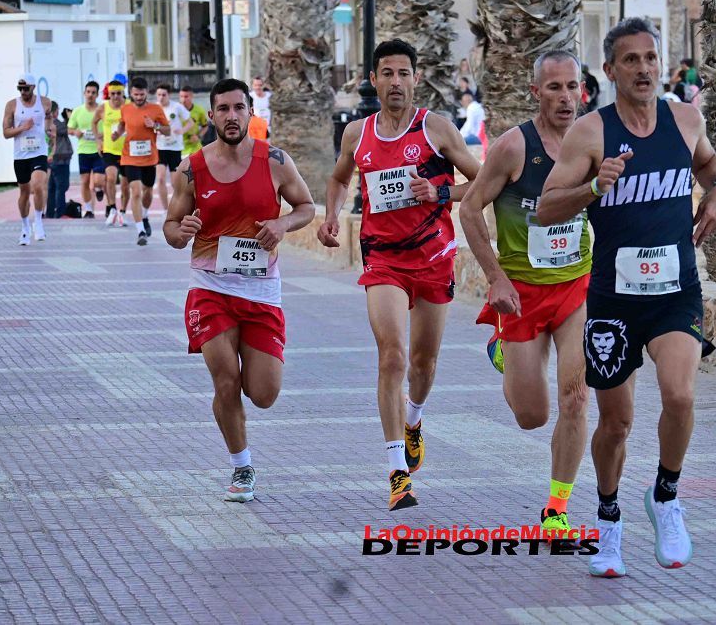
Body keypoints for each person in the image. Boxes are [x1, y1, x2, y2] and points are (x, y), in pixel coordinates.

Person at [538, 18, 716, 577]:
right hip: (614, 301)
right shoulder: (591, 134)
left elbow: (712, 167)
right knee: (616, 422)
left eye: (651, 58)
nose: (645, 69)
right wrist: (593, 187)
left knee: (681, 396)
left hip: (675, 292)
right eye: (631, 60)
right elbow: (547, 207)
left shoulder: (685, 120)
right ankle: (608, 519)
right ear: (610, 71)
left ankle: (666, 497)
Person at [318, 38, 480, 511]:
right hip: (382, 260)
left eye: (403, 73)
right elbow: (337, 178)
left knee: (422, 364)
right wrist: (331, 215)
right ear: (373, 80)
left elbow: (482, 182)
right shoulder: (358, 133)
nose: (395, 82)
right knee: (392, 356)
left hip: (433, 260)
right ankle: (396, 474)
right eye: (386, 73)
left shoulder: (436, 130)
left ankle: (414, 420)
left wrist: (438, 192)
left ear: (416, 77)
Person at [164, 78, 315, 502]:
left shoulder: (276, 161)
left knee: (264, 394)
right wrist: (182, 230)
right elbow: (172, 229)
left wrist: (282, 224)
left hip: (261, 291)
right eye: (223, 109)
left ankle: (245, 416)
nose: (232, 116)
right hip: (209, 289)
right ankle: (241, 467)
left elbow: (306, 206)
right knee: (226, 380)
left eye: (239, 108)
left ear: (251, 113)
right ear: (210, 116)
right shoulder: (191, 169)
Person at [459, 50, 591, 538]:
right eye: (553, 87)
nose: (564, 97)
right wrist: (495, 277)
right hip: (520, 295)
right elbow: (470, 210)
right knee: (532, 416)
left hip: (576, 289)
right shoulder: (515, 147)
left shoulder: (591, 143)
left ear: (583, 90)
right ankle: (504, 349)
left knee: (576, 399)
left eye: (571, 86)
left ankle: (557, 507)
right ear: (536, 93)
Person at [114, 76, 169, 245]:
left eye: (141, 94)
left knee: (147, 192)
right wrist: (117, 133)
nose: (138, 98)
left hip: (149, 158)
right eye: (135, 94)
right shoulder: (125, 109)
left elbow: (167, 131)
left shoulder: (156, 109)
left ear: (147, 93)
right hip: (129, 156)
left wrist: (155, 125)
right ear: (131, 93)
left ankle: (145, 215)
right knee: (135, 192)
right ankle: (140, 231)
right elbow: (122, 124)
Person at [2, 73, 52, 245]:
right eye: (20, 88)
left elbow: (49, 119)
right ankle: (25, 227)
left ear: (33, 87)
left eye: (26, 88)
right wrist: (23, 127)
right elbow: (6, 133)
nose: (23, 91)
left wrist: (49, 130)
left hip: (39, 152)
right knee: (24, 192)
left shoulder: (45, 102)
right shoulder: (11, 105)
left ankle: (38, 221)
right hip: (21, 154)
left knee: (38, 185)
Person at [93, 80, 130, 226]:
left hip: (126, 151)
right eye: (112, 94)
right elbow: (94, 122)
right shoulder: (103, 107)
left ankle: (123, 212)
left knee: (126, 185)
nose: (115, 97)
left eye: (118, 94)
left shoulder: (129, 106)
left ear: (123, 93)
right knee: (110, 178)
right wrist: (98, 140)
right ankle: (112, 208)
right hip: (109, 149)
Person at [154, 84, 193, 213]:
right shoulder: (154, 108)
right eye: (159, 95)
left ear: (168, 95)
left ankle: (176, 207)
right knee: (160, 178)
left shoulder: (176, 107)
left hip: (175, 147)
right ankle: (165, 209)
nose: (161, 97)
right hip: (160, 146)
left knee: (175, 182)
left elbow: (190, 122)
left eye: (164, 95)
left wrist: (182, 130)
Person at [67, 80, 104, 217]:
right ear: (84, 93)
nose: (90, 95)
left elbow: (109, 126)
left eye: (93, 93)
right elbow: (70, 128)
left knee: (99, 180)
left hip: (99, 149)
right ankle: (89, 209)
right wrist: (75, 132)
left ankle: (100, 188)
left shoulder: (102, 109)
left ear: (97, 94)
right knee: (85, 181)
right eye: (88, 92)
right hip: (83, 150)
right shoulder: (78, 111)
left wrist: (101, 135)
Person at [46, 101, 73, 219]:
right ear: (54, 112)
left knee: (52, 188)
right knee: (61, 187)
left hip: (53, 159)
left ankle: (50, 213)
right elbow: (69, 128)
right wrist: (69, 118)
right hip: (61, 159)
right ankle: (60, 213)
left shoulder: (47, 124)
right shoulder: (56, 124)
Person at [179, 85, 209, 159]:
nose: (183, 99)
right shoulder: (175, 110)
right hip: (179, 147)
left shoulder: (199, 110)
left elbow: (205, 126)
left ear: (192, 96)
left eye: (186, 96)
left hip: (194, 147)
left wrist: (198, 136)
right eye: (181, 96)